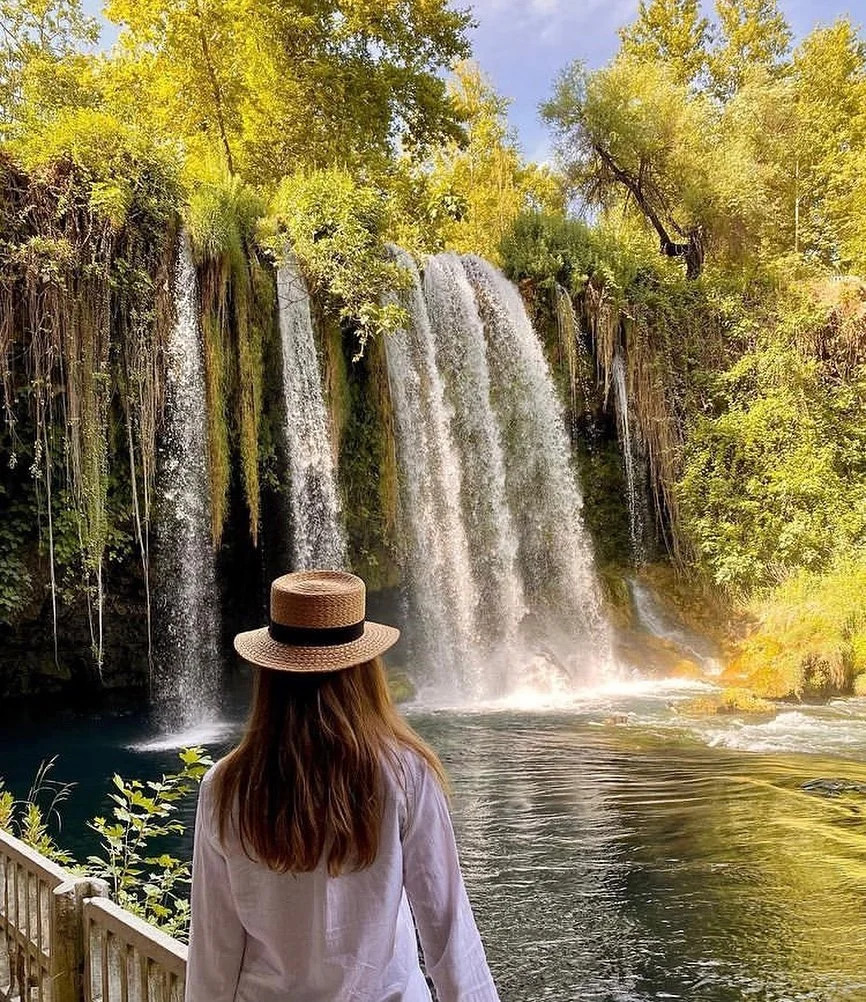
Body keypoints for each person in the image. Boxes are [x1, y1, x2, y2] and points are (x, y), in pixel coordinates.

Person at [185, 569, 501, 1002]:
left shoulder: (225, 787)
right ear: (365, 671)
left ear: (270, 674)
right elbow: (448, 932)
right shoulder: (406, 775)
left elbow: (213, 949)